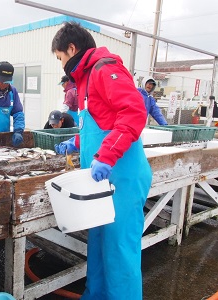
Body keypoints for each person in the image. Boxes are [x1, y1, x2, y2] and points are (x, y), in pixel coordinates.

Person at [52, 21, 152, 299]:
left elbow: (133, 114)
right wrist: (75, 142)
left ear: (72, 49)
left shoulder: (104, 69)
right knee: (98, 244)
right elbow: (101, 125)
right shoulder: (83, 80)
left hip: (122, 177)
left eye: (60, 58)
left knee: (119, 249)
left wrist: (106, 156)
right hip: (100, 182)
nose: (61, 65)